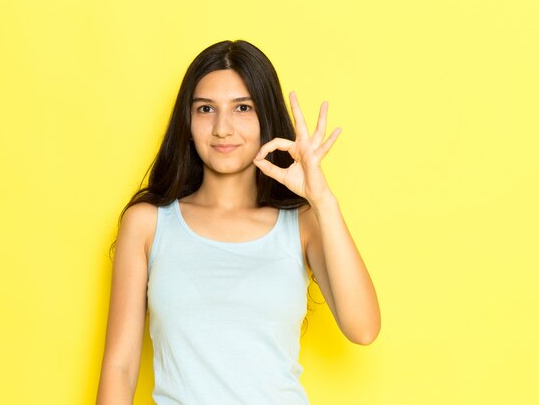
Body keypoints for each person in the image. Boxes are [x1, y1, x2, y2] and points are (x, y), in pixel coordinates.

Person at [96, 39, 381, 405]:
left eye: (242, 107)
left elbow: (364, 328)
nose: (222, 128)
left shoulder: (303, 223)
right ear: (188, 119)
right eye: (205, 109)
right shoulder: (148, 224)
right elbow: (120, 368)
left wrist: (322, 200)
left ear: (266, 117)